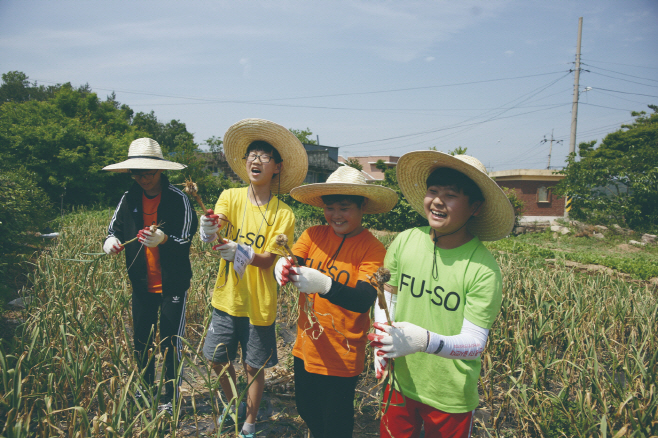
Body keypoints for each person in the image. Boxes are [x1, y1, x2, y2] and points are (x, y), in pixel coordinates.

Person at [368, 151, 515, 438]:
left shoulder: (483, 269)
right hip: (400, 380)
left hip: (449, 394)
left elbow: (475, 343)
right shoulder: (406, 240)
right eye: (433, 191)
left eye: (450, 195)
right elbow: (389, 297)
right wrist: (381, 340)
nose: (437, 200)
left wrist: (425, 341)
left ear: (475, 207)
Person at [199, 119, 308, 438]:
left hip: (259, 305)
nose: (256, 160)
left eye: (264, 155)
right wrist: (209, 231)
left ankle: (248, 422)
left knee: (253, 367)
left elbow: (267, 262)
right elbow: (215, 229)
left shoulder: (283, 214)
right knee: (215, 358)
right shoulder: (230, 197)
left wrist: (241, 252)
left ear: (278, 167)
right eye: (251, 154)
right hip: (226, 298)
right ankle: (233, 404)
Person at [274, 165, 398, 438]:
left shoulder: (373, 248)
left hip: (343, 351)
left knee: (337, 419)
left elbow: (363, 298)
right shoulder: (313, 235)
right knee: (306, 408)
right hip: (306, 344)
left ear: (362, 206)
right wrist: (282, 266)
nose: (336, 215)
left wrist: (324, 284)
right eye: (330, 207)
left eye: (344, 207)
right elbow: (295, 260)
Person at [102, 137, 198, 416]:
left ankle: (171, 397)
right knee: (141, 340)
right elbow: (113, 229)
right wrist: (111, 242)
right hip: (141, 282)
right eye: (136, 172)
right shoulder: (129, 197)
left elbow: (186, 240)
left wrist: (163, 239)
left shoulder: (178, 200)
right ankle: (144, 391)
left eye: (148, 172)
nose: (142, 178)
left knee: (170, 341)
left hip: (172, 283)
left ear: (161, 170)